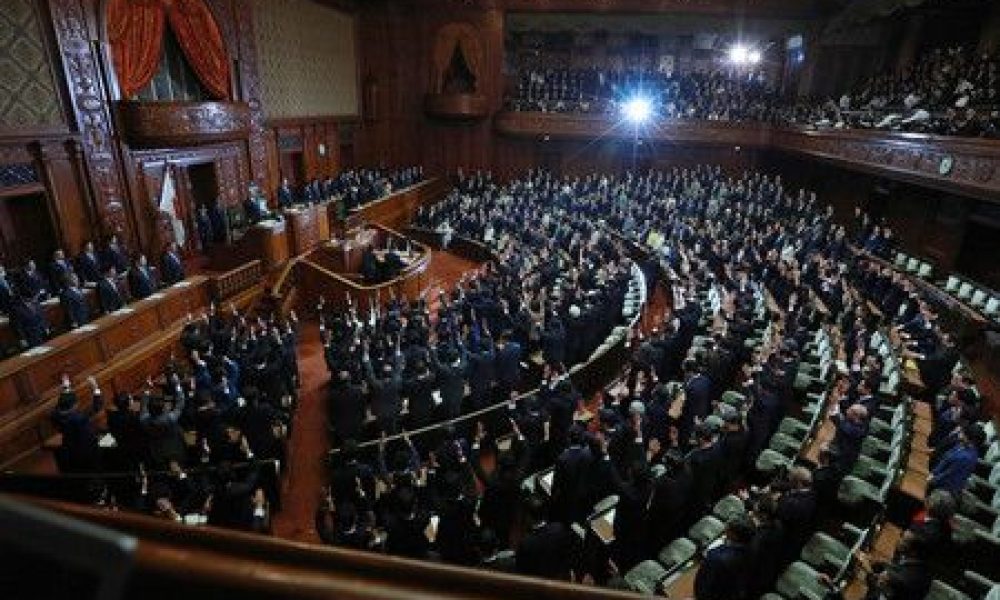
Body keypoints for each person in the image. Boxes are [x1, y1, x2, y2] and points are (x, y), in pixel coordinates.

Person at [694, 514, 755, 600]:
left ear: (734, 535)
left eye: (728, 527)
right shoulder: (751, 549)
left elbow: (704, 589)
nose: (725, 528)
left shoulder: (716, 558)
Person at [515, 494, 576, 580]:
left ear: (528, 517)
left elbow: (521, 572)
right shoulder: (559, 528)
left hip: (537, 585)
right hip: (559, 582)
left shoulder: (526, 543)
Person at [927, 423, 983, 499]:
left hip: (944, 488)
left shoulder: (966, 457)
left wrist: (933, 479)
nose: (960, 432)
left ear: (969, 438)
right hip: (937, 476)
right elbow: (946, 458)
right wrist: (934, 472)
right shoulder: (963, 444)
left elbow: (948, 474)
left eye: (962, 432)